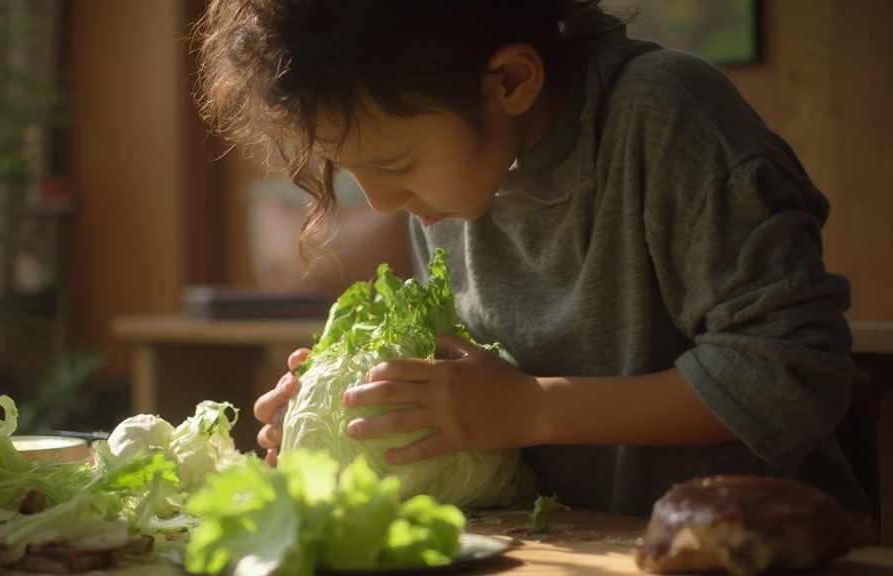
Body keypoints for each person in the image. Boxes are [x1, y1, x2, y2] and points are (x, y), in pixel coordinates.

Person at [192, 0, 870, 517]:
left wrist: (533, 409)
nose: (383, 199)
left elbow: (790, 375)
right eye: (350, 170)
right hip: (579, 543)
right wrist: (368, 410)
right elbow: (490, 386)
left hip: (752, 541)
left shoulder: (664, 117)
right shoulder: (456, 182)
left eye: (394, 162)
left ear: (510, 81)